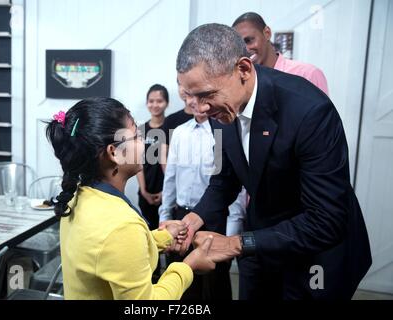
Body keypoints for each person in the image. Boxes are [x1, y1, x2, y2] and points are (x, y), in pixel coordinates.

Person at [175, 23, 371, 300]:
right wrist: (193, 220)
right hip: (261, 245)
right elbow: (225, 179)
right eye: (190, 96)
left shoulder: (310, 111)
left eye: (206, 94)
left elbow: (326, 220)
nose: (200, 108)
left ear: (243, 69)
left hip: (317, 255)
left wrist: (236, 243)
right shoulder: (221, 113)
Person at [46, 97, 217, 299]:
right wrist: (188, 266)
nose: (143, 141)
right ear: (114, 153)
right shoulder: (121, 226)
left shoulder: (78, 196)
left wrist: (164, 237)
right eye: (136, 136)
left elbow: (112, 253)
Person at [159, 94, 246, 300]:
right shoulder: (180, 132)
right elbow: (170, 178)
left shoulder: (223, 132)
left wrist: (231, 234)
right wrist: (164, 216)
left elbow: (229, 186)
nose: (195, 103)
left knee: (216, 284)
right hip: (182, 218)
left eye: (201, 97)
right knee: (183, 283)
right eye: (190, 97)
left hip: (214, 219)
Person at [232, 12, 329, 95]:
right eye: (239, 46)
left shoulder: (307, 74)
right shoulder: (242, 81)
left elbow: (324, 115)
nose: (245, 50)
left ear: (267, 33)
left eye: (249, 40)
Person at [137, 84, 169, 231]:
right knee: (149, 234)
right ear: (146, 103)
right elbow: (138, 162)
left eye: (159, 101)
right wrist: (143, 191)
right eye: (151, 101)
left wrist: (167, 191)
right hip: (146, 191)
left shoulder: (172, 128)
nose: (155, 105)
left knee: (167, 235)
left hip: (168, 192)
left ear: (166, 103)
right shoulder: (140, 131)